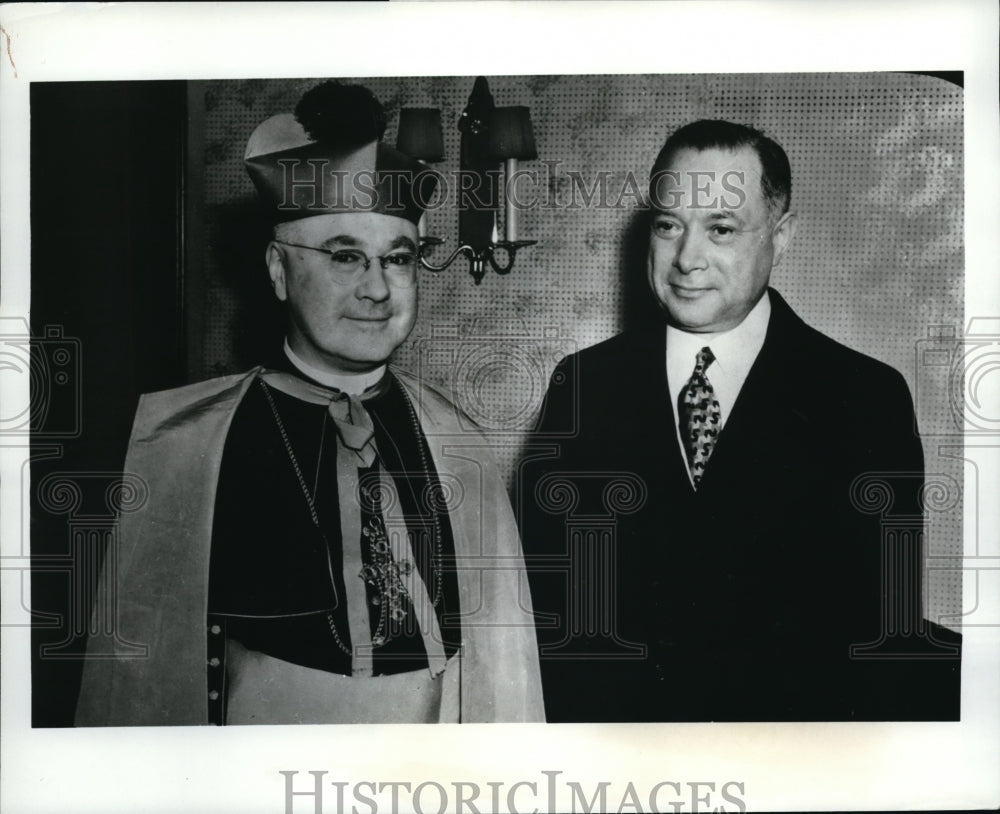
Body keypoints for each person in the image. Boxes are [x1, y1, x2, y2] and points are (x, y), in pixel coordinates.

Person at [75, 81, 543, 725]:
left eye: (398, 258)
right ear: (277, 268)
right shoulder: (183, 440)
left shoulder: (458, 437)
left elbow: (501, 672)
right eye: (345, 256)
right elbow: (140, 687)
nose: (376, 287)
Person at [520, 119, 961, 722]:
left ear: (781, 237)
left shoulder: (864, 398)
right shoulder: (583, 385)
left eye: (720, 228)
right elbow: (545, 612)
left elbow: (879, 639)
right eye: (668, 225)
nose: (685, 259)